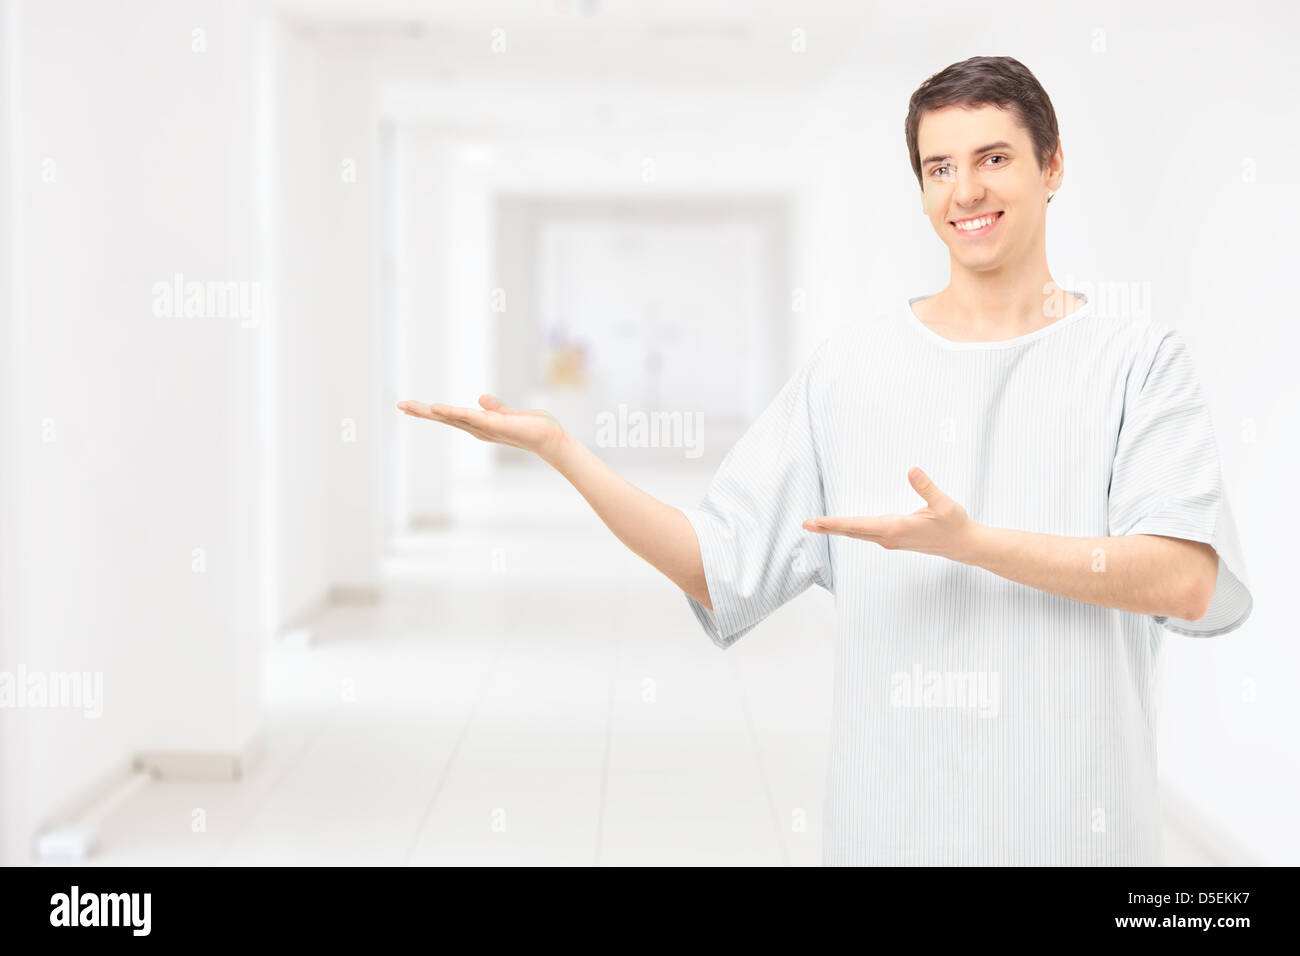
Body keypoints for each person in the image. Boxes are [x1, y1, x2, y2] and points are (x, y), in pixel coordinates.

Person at [396, 55, 1253, 866]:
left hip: (1081, 829)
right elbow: (716, 567)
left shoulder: (1137, 362)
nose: (968, 191)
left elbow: (1183, 578)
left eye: (994, 158)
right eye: (939, 167)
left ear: (1053, 166)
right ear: (921, 190)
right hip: (896, 826)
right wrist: (562, 450)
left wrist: (972, 543)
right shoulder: (853, 371)